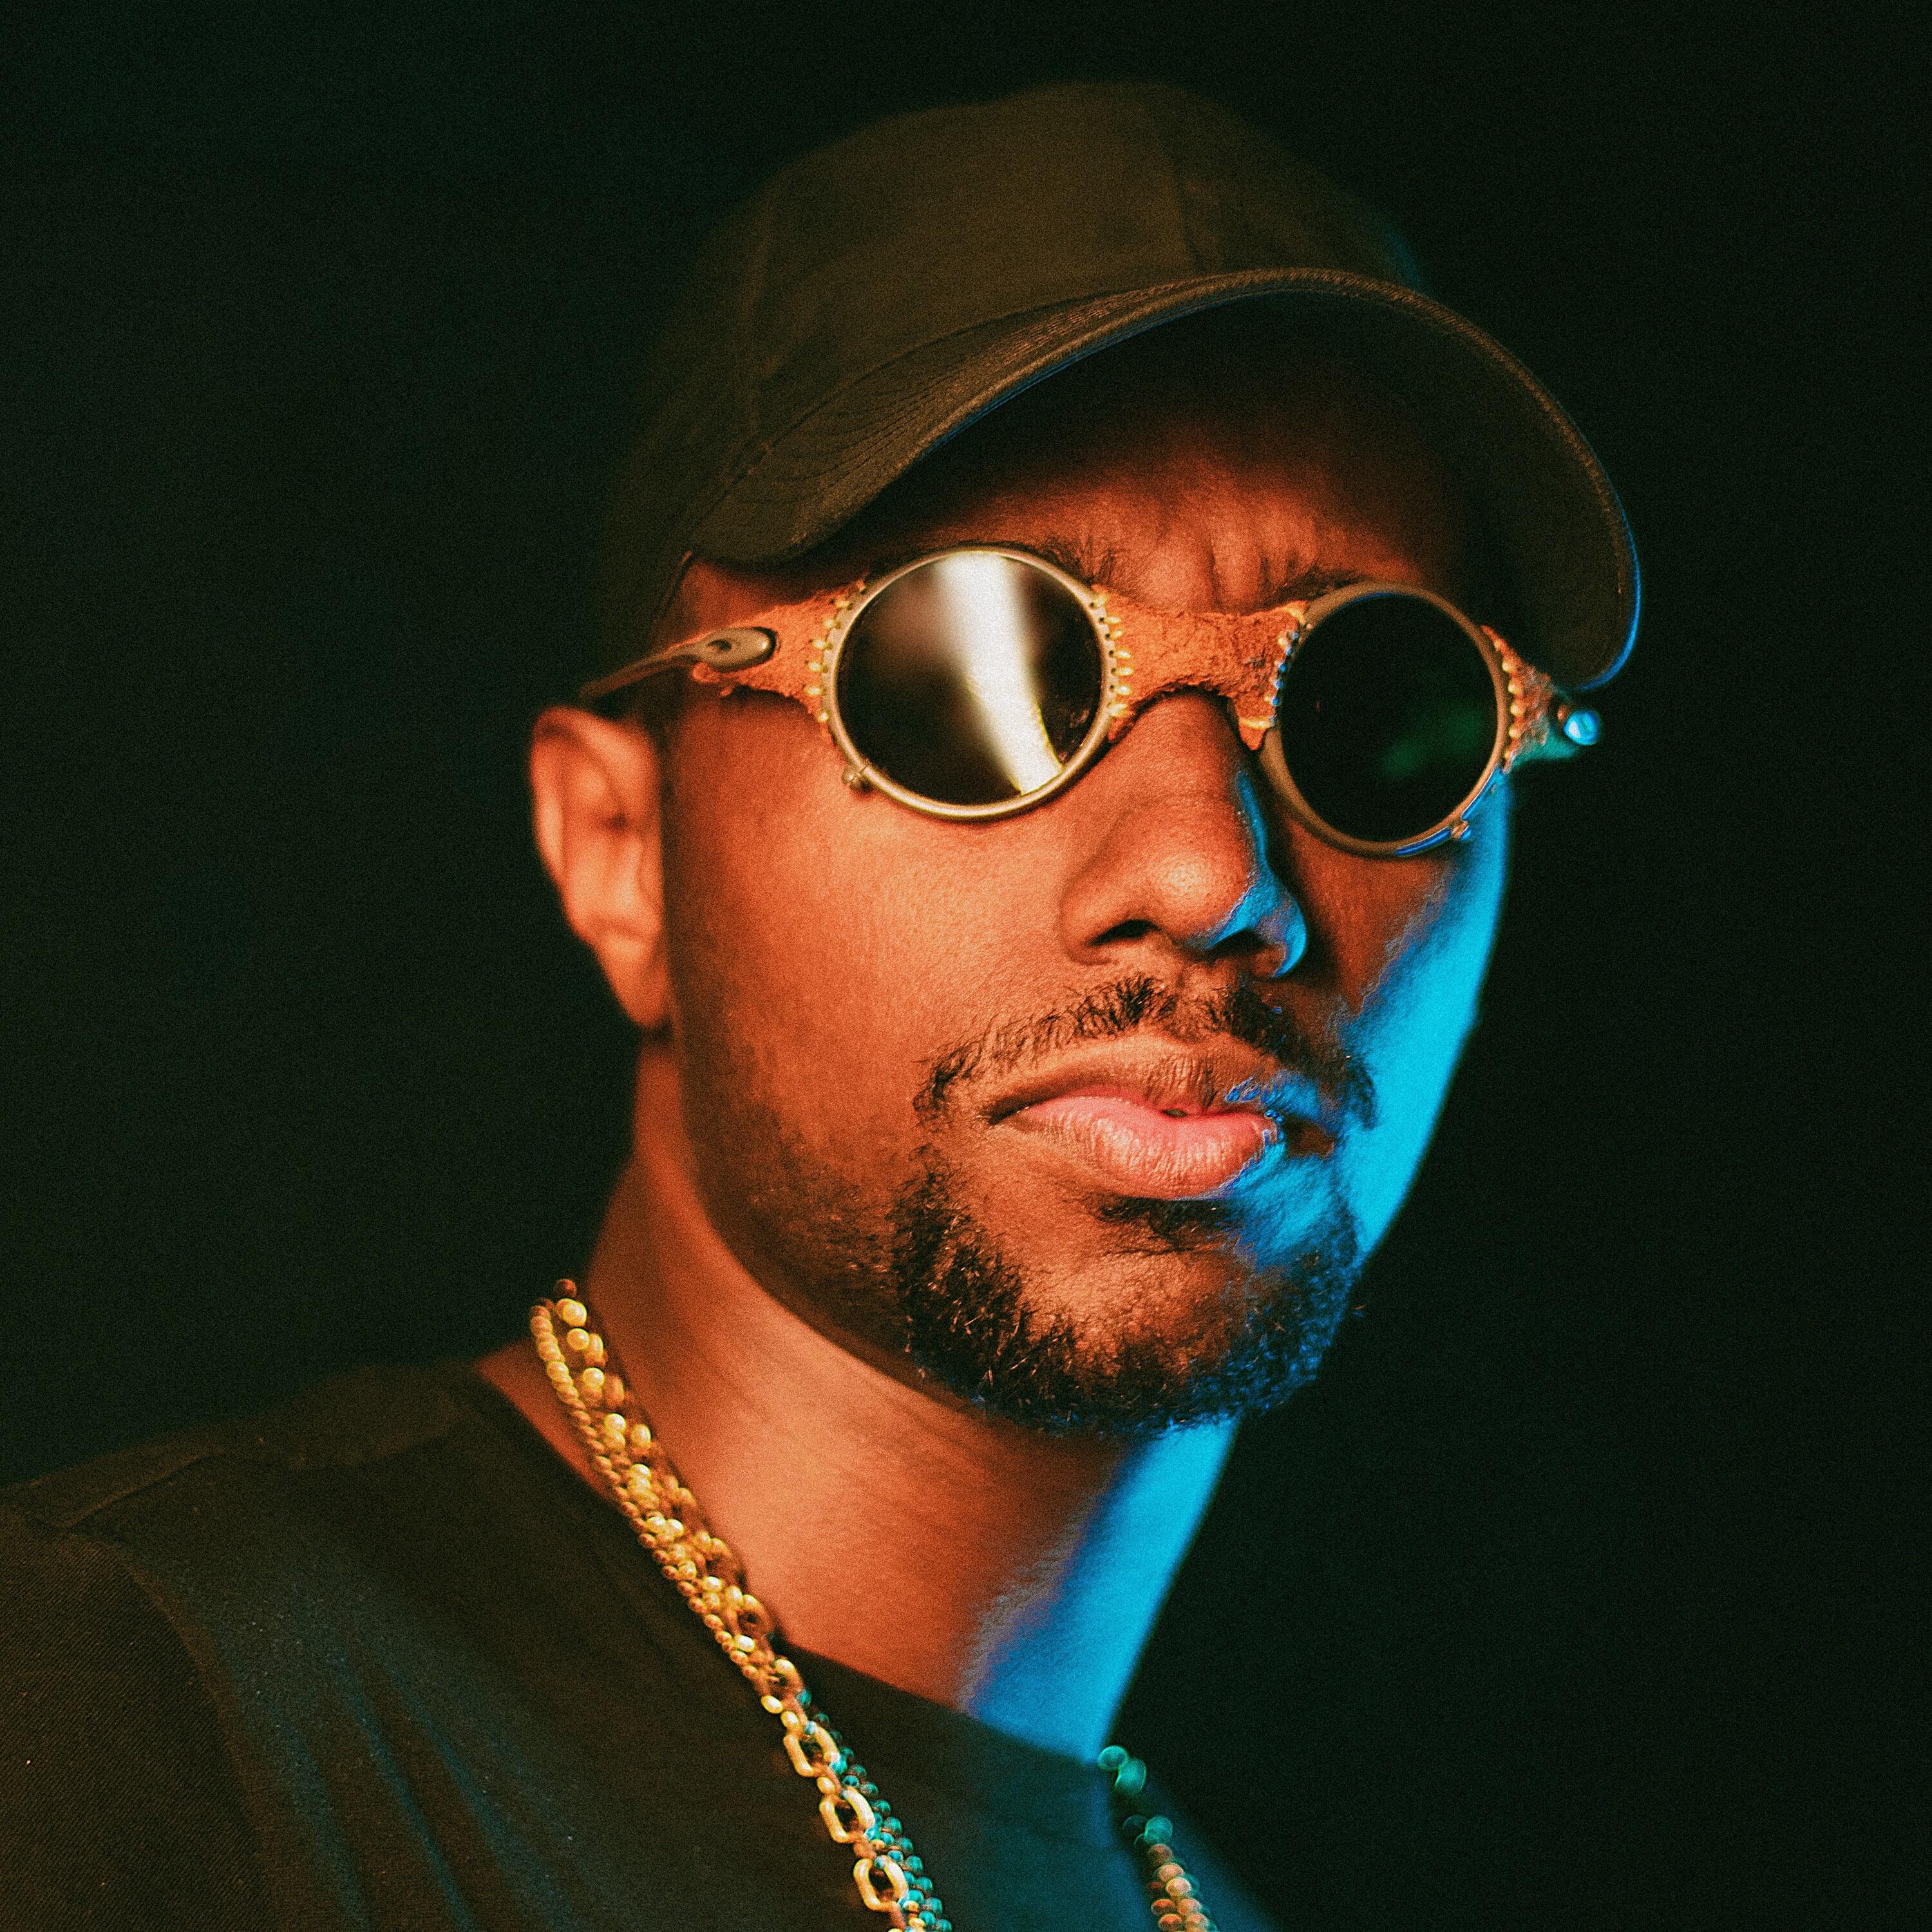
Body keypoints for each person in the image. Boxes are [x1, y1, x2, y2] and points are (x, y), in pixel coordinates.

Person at [0, 82, 1637, 1931]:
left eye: (1377, 705)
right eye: (970, 679)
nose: (1206, 870)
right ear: (622, 850)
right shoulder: (139, 1723)